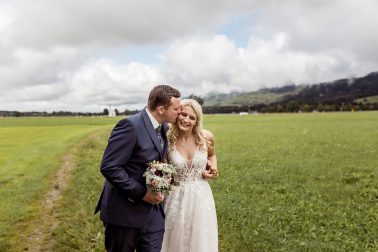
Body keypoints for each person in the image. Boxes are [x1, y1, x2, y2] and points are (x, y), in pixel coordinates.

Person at [94, 85, 181, 252]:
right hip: (124, 214)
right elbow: (110, 166)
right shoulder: (130, 126)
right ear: (161, 109)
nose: (179, 111)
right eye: (176, 108)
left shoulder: (163, 127)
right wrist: (142, 193)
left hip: (153, 214)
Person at [161, 98, 218, 252]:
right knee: (174, 239)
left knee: (201, 238)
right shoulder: (167, 139)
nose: (186, 120)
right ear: (178, 114)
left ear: (197, 121)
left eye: (192, 117)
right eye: (184, 115)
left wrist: (212, 169)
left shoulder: (206, 137)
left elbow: (212, 155)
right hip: (175, 197)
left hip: (202, 197)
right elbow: (163, 168)